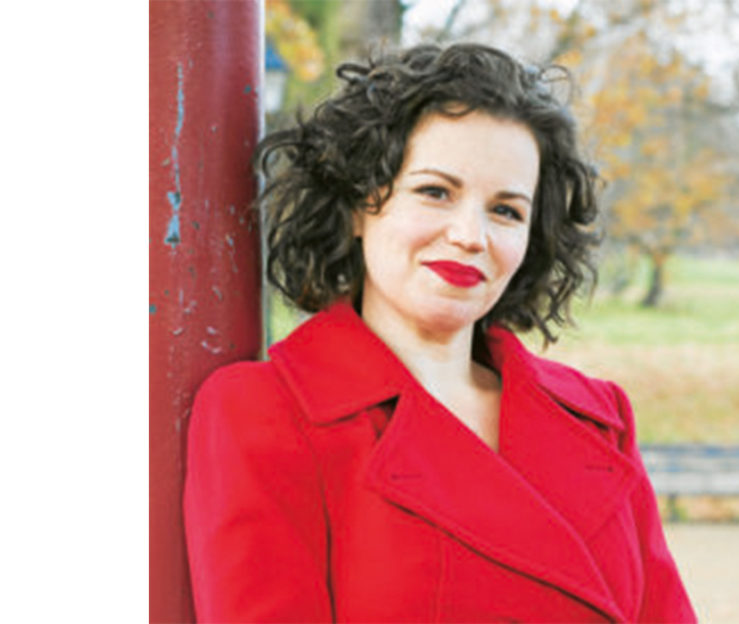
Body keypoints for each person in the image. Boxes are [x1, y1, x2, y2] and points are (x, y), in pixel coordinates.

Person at [184, 42, 695, 623]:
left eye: (506, 210)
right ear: (358, 204)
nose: (470, 235)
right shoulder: (265, 412)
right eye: (435, 192)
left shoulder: (599, 418)